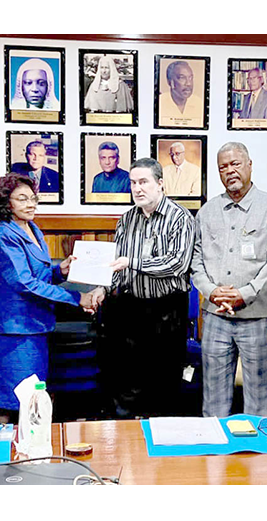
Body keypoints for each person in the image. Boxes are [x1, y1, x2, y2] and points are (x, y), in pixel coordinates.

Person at [0, 174, 98, 424]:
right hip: (13, 331)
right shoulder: (5, 235)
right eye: (22, 199)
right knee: (6, 400)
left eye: (33, 198)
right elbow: (24, 282)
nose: (30, 203)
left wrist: (61, 271)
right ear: (7, 203)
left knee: (34, 398)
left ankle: (33, 453)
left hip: (35, 326)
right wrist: (77, 297)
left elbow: (41, 276)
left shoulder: (33, 229)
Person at [191, 142, 267, 418]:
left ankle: (258, 459)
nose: (230, 171)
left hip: (258, 318)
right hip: (215, 319)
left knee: (259, 403)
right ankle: (216, 458)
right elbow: (195, 260)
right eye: (223, 167)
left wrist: (245, 293)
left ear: (249, 165)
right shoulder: (207, 212)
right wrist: (211, 292)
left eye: (235, 164)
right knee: (213, 402)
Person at [89, 158, 195, 419]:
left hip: (167, 309)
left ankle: (161, 446)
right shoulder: (126, 219)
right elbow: (117, 263)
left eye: (144, 182)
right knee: (126, 379)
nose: (137, 188)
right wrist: (104, 287)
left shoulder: (180, 217)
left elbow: (177, 264)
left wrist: (132, 262)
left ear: (160, 184)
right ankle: (128, 442)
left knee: (164, 380)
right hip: (130, 307)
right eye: (133, 183)